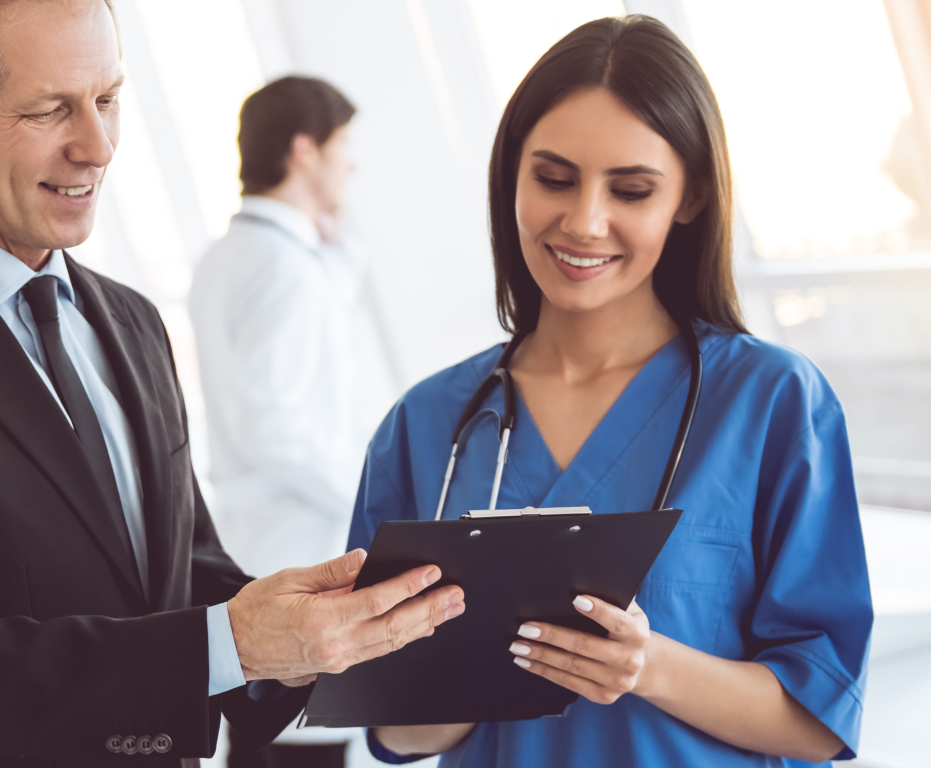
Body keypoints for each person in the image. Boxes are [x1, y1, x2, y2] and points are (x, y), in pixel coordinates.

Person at [0, 1, 465, 765]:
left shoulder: (131, 322)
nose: (97, 146)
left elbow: (181, 577)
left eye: (109, 100)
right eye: (51, 108)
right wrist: (232, 642)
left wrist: (368, 648)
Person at [354, 16, 870, 766]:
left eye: (630, 190)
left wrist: (648, 667)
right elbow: (394, 730)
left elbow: (821, 721)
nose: (584, 221)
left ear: (689, 197)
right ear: (512, 177)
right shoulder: (427, 424)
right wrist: (448, 671)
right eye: (554, 179)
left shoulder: (772, 403)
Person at [187, 76, 368, 768]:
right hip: (298, 542)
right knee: (293, 747)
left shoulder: (231, 257)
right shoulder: (287, 269)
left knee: (264, 741)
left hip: (253, 536)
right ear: (304, 151)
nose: (351, 165)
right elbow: (278, 424)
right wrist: (368, 500)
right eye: (342, 146)